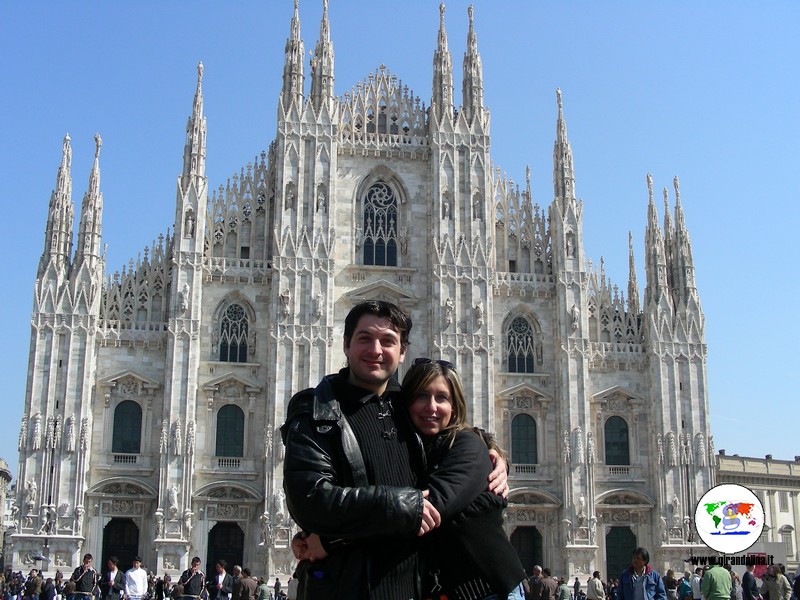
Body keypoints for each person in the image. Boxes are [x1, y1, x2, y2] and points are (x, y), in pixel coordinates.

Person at [281, 300, 508, 599]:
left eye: (388, 341)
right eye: (364, 339)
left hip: (414, 586)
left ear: (402, 353)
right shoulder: (317, 412)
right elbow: (309, 499)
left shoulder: (408, 409)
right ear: (346, 344)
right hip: (342, 588)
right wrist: (401, 507)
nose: (375, 350)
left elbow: (450, 437)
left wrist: (489, 448)